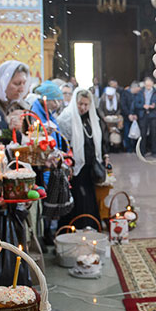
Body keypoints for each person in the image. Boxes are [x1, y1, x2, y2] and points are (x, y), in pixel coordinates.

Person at [58, 89, 104, 227]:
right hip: (74, 167)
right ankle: (75, 228)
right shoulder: (66, 118)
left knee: (89, 198)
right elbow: (63, 144)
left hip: (89, 167)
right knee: (78, 197)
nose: (83, 108)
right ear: (75, 102)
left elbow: (98, 141)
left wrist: (104, 156)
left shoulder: (92, 118)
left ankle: (90, 225)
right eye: (80, 104)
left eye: (86, 104)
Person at [133, 76, 156, 156]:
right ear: (144, 85)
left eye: (150, 85)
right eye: (147, 85)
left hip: (152, 115)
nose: (148, 87)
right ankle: (142, 152)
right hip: (143, 114)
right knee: (143, 134)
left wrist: (154, 106)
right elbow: (136, 104)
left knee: (154, 134)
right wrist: (143, 106)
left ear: (152, 84)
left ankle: (154, 152)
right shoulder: (140, 92)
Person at [99, 86, 123, 152]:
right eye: (108, 96)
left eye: (111, 96)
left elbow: (119, 108)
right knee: (105, 133)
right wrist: (103, 117)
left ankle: (116, 147)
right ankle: (106, 148)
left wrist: (116, 115)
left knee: (116, 132)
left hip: (114, 118)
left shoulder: (117, 97)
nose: (109, 97)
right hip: (105, 118)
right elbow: (100, 109)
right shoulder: (103, 98)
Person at [121, 81, 140, 151]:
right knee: (127, 132)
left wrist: (136, 115)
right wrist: (128, 114)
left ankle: (134, 147)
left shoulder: (137, 95)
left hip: (134, 117)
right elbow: (123, 105)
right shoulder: (125, 94)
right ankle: (128, 148)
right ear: (134, 88)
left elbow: (137, 106)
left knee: (134, 132)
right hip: (127, 116)